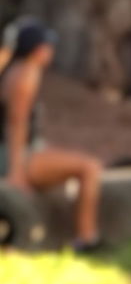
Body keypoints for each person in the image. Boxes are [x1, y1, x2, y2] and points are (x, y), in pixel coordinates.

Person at [0, 18, 104, 251]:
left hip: (18, 151)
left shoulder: (12, 69)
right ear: (37, 50)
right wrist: (16, 173)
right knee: (89, 168)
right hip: (13, 156)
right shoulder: (25, 75)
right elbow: (16, 124)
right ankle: (86, 239)